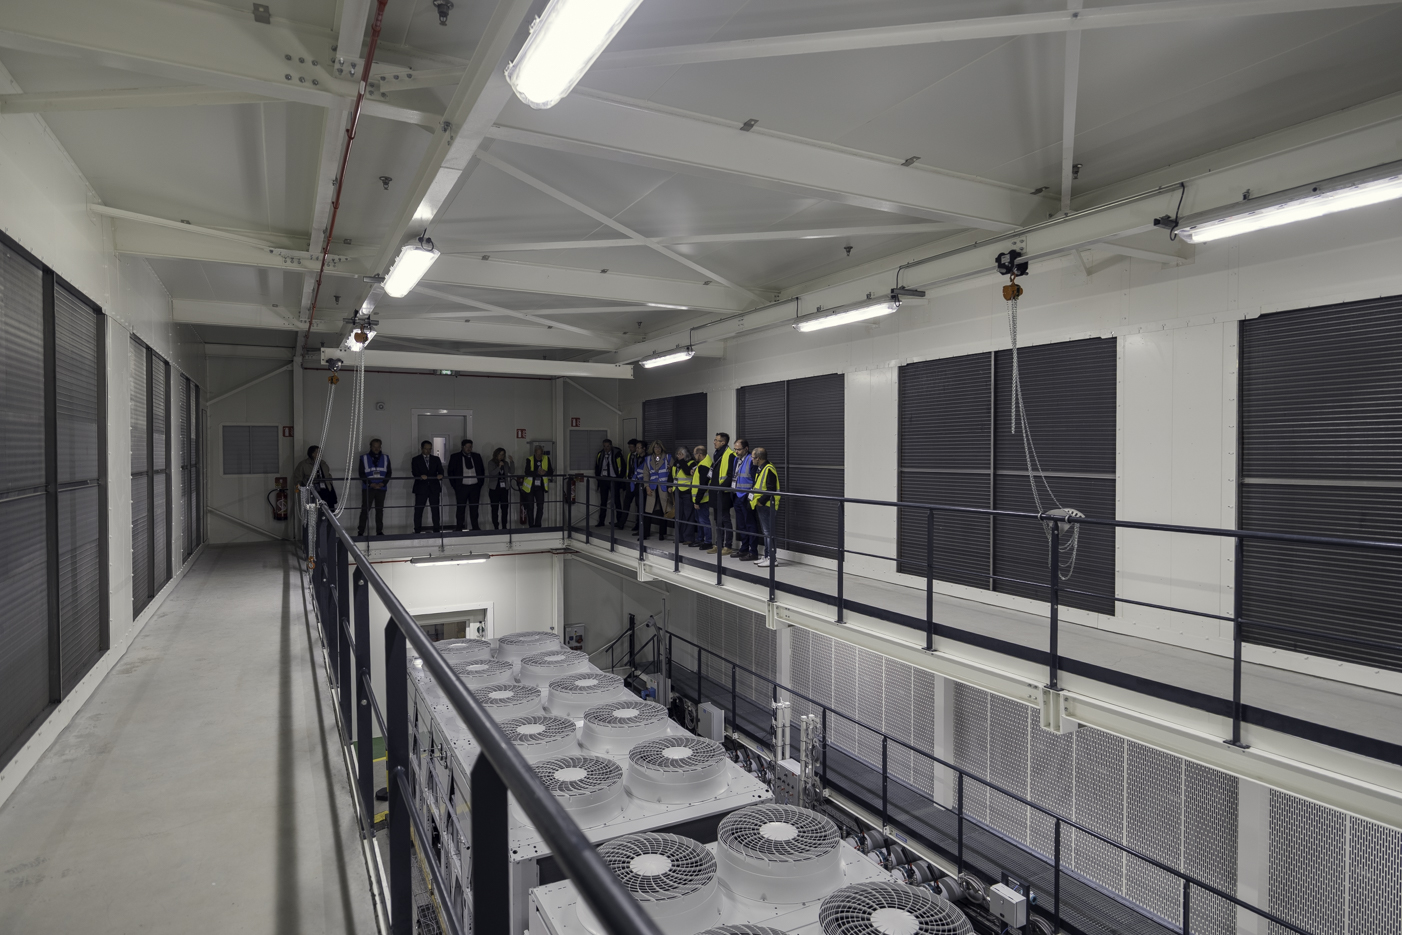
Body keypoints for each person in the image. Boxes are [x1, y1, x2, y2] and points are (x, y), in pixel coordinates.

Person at [750, 446, 781, 567]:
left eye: (753, 457)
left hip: (767, 505)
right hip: (763, 505)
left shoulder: (768, 469)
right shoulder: (762, 468)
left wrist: (761, 502)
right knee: (766, 532)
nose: (751, 459)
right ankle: (768, 556)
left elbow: (771, 489)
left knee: (769, 532)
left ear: (758, 458)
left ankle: (772, 558)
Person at [708, 431, 737, 555]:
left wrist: (721, 488)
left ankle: (728, 546)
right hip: (715, 492)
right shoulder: (716, 454)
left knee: (725, 519)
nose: (714, 442)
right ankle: (718, 544)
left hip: (723, 492)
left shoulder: (730, 455)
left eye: (716, 440)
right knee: (717, 519)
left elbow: (730, 476)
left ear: (723, 442)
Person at [448, 438, 486, 531]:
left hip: (475, 486)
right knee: (461, 508)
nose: (469, 448)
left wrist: (480, 484)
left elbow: (482, 470)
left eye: (471, 447)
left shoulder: (477, 456)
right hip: (461, 487)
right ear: (462, 447)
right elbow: (450, 472)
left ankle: (475, 526)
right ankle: (459, 527)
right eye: (467, 447)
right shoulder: (455, 457)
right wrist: (455, 486)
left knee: (474, 508)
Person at [357, 438, 391, 536]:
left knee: (379, 511)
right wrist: (370, 484)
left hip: (381, 488)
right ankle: (361, 532)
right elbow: (361, 473)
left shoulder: (386, 458)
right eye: (374, 446)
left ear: (381, 447)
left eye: (378, 446)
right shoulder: (363, 458)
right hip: (368, 488)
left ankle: (379, 532)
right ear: (370, 447)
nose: (376, 448)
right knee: (365, 510)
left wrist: (383, 483)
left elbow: (389, 473)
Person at [640, 440, 672, 541]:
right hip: (652, 487)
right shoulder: (648, 459)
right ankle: (645, 533)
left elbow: (673, 472)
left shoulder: (668, 457)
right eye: (655, 448)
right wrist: (647, 487)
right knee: (648, 511)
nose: (657, 450)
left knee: (664, 511)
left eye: (659, 448)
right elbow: (645, 474)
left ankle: (662, 534)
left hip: (663, 488)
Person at [411, 440, 445, 534]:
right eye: (426, 449)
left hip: (434, 487)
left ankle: (437, 529)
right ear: (421, 449)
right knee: (418, 510)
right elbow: (414, 472)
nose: (428, 451)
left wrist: (440, 475)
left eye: (430, 449)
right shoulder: (416, 459)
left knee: (435, 509)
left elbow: (441, 470)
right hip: (421, 488)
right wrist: (420, 476)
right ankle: (417, 530)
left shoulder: (436, 459)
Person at [731, 438, 757, 561]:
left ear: (746, 449)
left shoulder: (751, 460)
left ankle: (753, 551)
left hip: (746, 496)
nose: (736, 451)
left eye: (739, 449)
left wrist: (751, 495)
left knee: (750, 524)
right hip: (737, 495)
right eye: (735, 449)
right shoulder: (736, 459)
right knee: (741, 525)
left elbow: (755, 479)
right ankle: (744, 548)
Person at [292, 444, 336, 509]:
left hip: (326, 490)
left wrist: (330, 484)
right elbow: (297, 478)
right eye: (319, 452)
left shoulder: (323, 464)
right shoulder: (303, 465)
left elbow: (328, 475)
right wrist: (301, 488)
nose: (321, 454)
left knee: (329, 508)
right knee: (315, 510)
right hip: (312, 491)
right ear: (313, 454)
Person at [593, 438, 624, 527]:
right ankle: (601, 521)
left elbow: (622, 467)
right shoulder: (600, 454)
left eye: (607, 446)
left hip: (613, 479)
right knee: (603, 501)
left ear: (611, 446)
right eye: (604, 446)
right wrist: (598, 478)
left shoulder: (617, 454)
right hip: (603, 479)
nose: (606, 448)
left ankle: (620, 521)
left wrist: (619, 478)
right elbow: (597, 466)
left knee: (617, 501)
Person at [670, 446, 697, 545]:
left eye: (681, 454)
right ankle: (679, 537)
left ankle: (688, 538)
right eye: (677, 454)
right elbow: (672, 475)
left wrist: (681, 461)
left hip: (687, 492)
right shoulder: (675, 463)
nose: (678, 456)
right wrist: (670, 485)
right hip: (677, 491)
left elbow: (687, 472)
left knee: (688, 515)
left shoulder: (691, 463)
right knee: (678, 515)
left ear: (686, 454)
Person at [689, 445, 713, 549]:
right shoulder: (704, 463)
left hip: (702, 499)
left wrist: (697, 501)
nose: (694, 456)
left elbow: (703, 485)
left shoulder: (704, 466)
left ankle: (707, 541)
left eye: (695, 454)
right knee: (700, 520)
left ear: (699, 454)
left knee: (703, 521)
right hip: (700, 498)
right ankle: (700, 539)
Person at [521, 444, 550, 528]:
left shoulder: (546, 459)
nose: (539, 456)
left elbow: (551, 471)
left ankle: (538, 525)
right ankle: (531, 525)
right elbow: (527, 472)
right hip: (530, 487)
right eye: (537, 454)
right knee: (530, 507)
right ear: (534, 453)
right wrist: (537, 473)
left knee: (540, 507)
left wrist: (545, 472)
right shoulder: (529, 459)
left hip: (540, 487)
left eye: (540, 454)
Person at [620, 439, 645, 531]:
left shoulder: (643, 457)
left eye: (632, 447)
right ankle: (622, 522)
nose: (630, 449)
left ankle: (638, 525)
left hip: (639, 483)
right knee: (626, 502)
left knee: (639, 505)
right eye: (629, 447)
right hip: (630, 482)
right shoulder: (630, 456)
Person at [487, 447, 514, 529]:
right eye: (500, 454)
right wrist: (499, 467)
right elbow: (492, 473)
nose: (501, 456)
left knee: (505, 508)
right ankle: (496, 526)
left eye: (503, 455)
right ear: (496, 454)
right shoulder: (491, 463)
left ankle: (504, 526)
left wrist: (511, 462)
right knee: (495, 509)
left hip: (504, 489)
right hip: (494, 489)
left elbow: (512, 472)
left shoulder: (505, 463)